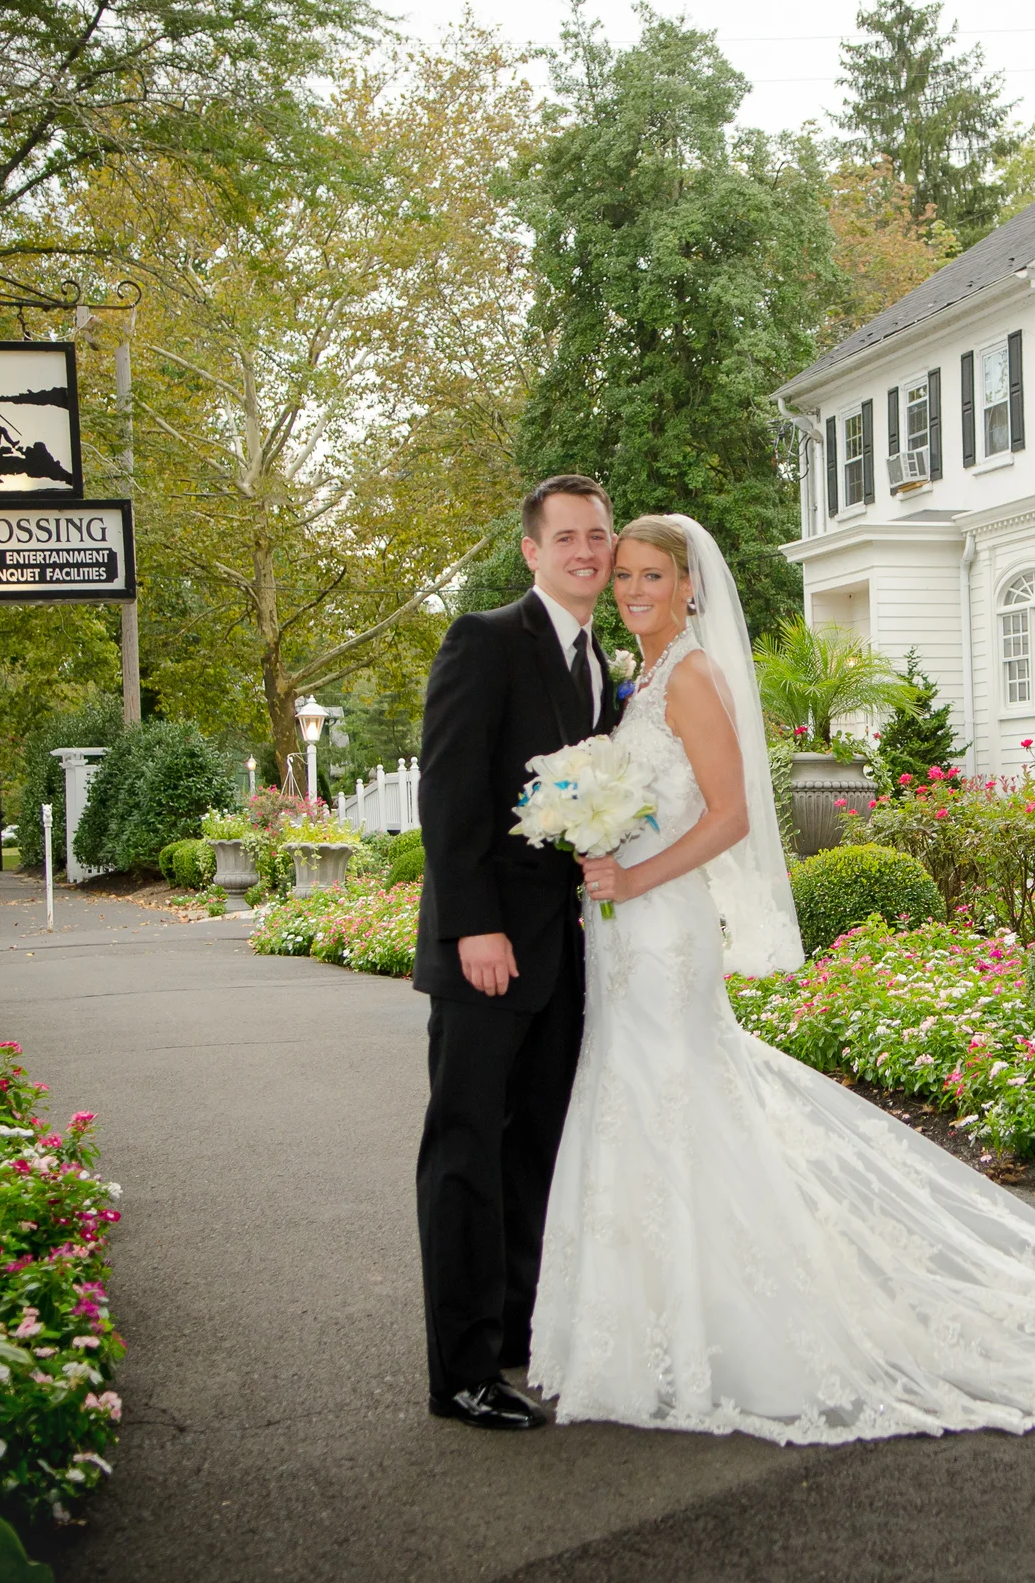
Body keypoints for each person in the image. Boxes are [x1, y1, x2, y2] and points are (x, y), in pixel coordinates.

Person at [532, 514, 1035, 1444]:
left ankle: (702, 1331)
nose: (635, 590)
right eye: (627, 577)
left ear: (691, 588)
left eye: (653, 576)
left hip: (660, 923)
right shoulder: (640, 679)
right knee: (636, 1101)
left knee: (674, 1097)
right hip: (622, 928)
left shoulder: (690, 679)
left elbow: (727, 819)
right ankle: (650, 1328)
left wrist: (633, 871)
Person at [412, 474, 623, 1431]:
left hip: (564, 952)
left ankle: (513, 1338)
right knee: (466, 1150)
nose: (588, 550)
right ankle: (459, 1372)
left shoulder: (598, 661)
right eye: (568, 536)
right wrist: (471, 925)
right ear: (531, 551)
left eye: (600, 535)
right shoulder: (487, 640)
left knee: (535, 1146)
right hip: (487, 947)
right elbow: (451, 794)